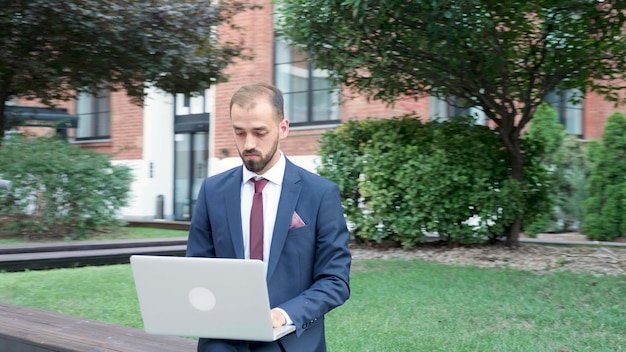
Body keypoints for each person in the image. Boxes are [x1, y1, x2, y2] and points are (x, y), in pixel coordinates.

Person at [186, 82, 352, 352]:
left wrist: (282, 315)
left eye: (259, 132)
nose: (248, 144)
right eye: (239, 133)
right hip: (222, 339)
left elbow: (335, 280)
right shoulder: (211, 191)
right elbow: (197, 267)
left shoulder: (320, 194)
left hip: (290, 340)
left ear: (283, 128)